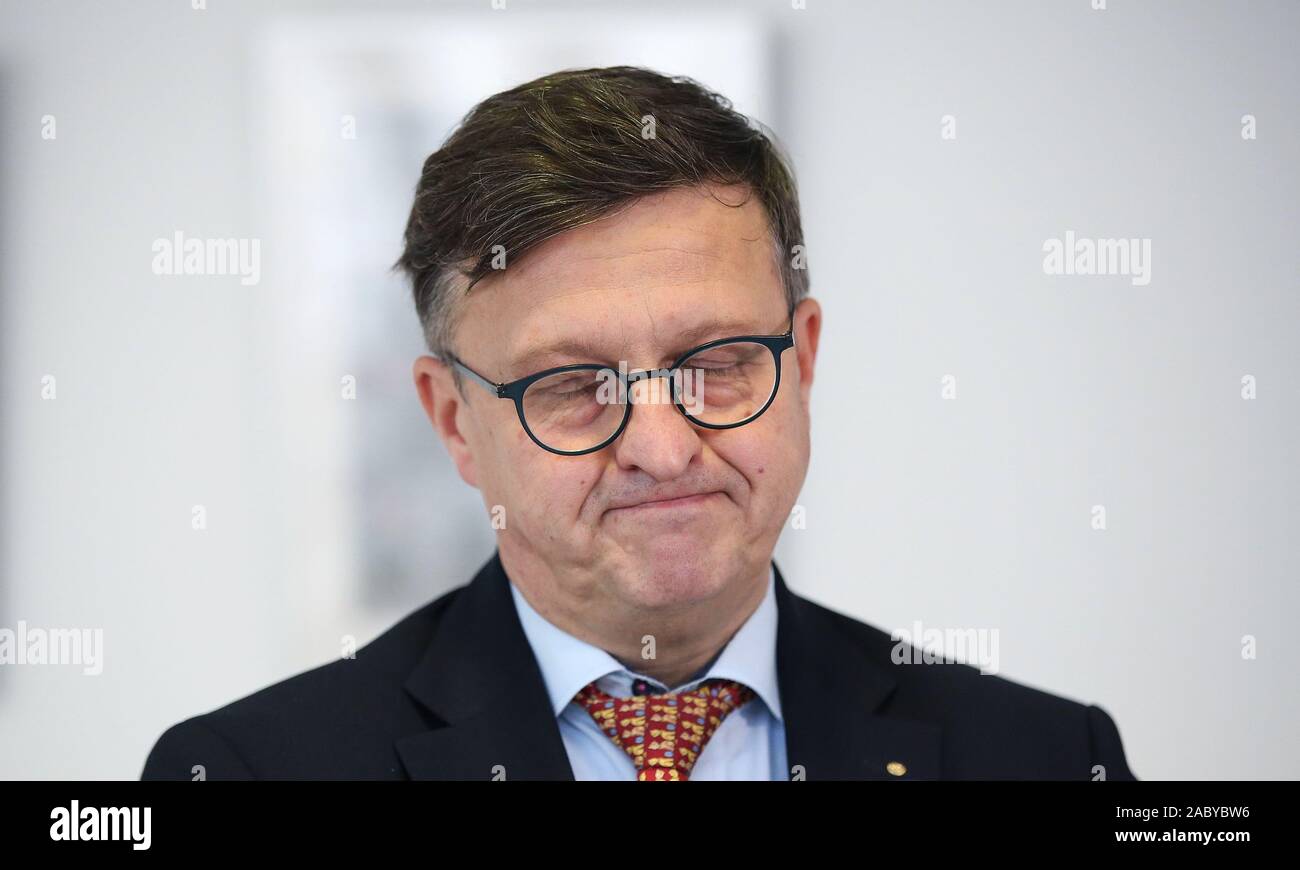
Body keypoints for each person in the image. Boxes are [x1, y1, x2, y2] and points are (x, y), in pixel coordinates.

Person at [142, 66, 1136, 781]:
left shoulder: (1045, 758)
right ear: (453, 421)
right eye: (573, 384)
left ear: (805, 359)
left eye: (714, 363)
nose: (661, 449)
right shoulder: (248, 772)